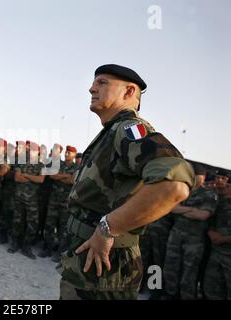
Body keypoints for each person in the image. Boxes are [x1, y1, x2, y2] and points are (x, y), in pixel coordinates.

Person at [58, 64, 195, 300]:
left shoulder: (129, 128)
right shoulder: (112, 131)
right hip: (89, 261)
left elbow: (174, 183)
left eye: (102, 83)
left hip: (105, 269)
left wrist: (108, 228)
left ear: (129, 92)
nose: (91, 88)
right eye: (94, 82)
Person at [163, 164, 218, 299]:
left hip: (194, 240)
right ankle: (170, 294)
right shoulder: (183, 189)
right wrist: (191, 210)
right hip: (176, 235)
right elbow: (171, 208)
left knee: (189, 273)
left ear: (203, 176)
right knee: (170, 268)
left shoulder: (209, 194)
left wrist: (182, 210)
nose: (193, 178)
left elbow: (203, 215)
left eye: (197, 175)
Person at [8, 141, 45, 259]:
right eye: (31, 150)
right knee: (17, 221)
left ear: (38, 152)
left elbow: (40, 180)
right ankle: (15, 244)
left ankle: (26, 246)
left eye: (34, 150)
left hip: (32, 199)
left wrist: (27, 176)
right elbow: (17, 178)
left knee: (32, 223)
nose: (32, 151)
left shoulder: (41, 165)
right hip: (19, 197)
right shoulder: (21, 162)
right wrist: (32, 178)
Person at [203, 170, 231, 299]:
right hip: (216, 252)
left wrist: (223, 238)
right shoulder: (218, 201)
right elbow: (211, 221)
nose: (220, 183)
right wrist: (211, 233)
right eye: (217, 178)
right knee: (211, 288)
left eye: (224, 180)